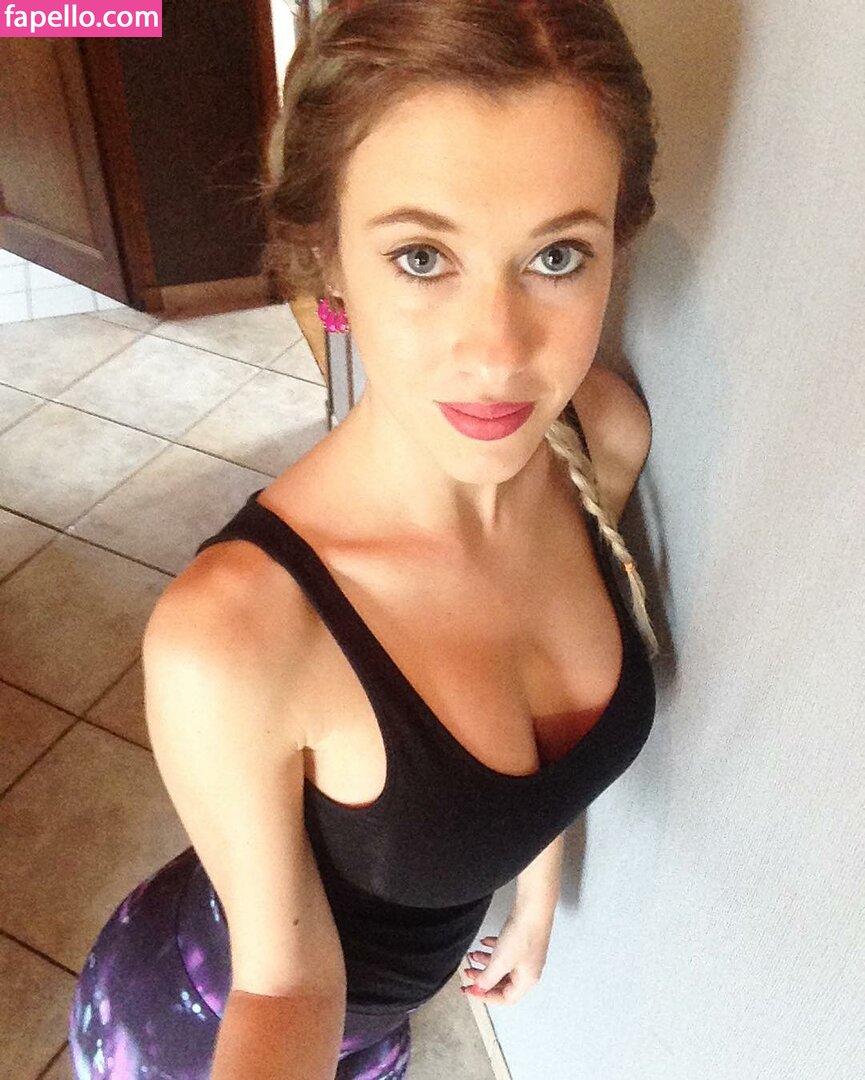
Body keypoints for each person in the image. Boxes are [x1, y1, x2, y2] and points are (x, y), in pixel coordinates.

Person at [68, 1, 661, 1077]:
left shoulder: (601, 438)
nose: (497, 353)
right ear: (326, 258)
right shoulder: (233, 635)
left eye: (557, 255)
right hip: (187, 1021)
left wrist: (533, 908)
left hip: (382, 1019)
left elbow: (542, 772)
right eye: (422, 257)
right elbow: (283, 986)